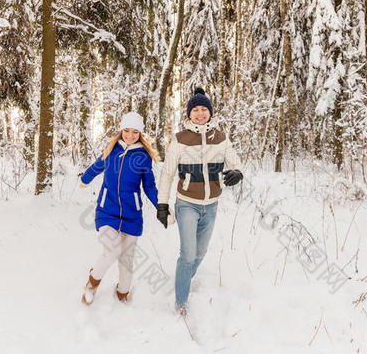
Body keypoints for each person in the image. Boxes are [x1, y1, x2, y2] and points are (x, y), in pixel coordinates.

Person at [157, 87, 244, 315]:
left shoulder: (221, 139)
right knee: (187, 254)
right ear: (189, 114)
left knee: (200, 252)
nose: (199, 113)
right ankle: (180, 304)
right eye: (195, 109)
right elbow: (167, 173)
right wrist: (162, 204)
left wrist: (238, 172)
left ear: (210, 113)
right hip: (187, 204)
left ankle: (182, 280)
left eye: (203, 109)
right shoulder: (179, 140)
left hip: (212, 205)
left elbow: (236, 162)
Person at [79, 112, 168, 305]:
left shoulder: (143, 157)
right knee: (112, 250)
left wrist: (161, 205)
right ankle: (91, 285)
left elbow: (149, 186)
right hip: (106, 211)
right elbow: (97, 166)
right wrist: (84, 179)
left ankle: (122, 294)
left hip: (132, 215)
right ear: (121, 130)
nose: (130, 135)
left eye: (135, 132)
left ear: (140, 134)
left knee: (126, 260)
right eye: (126, 130)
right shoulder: (112, 150)